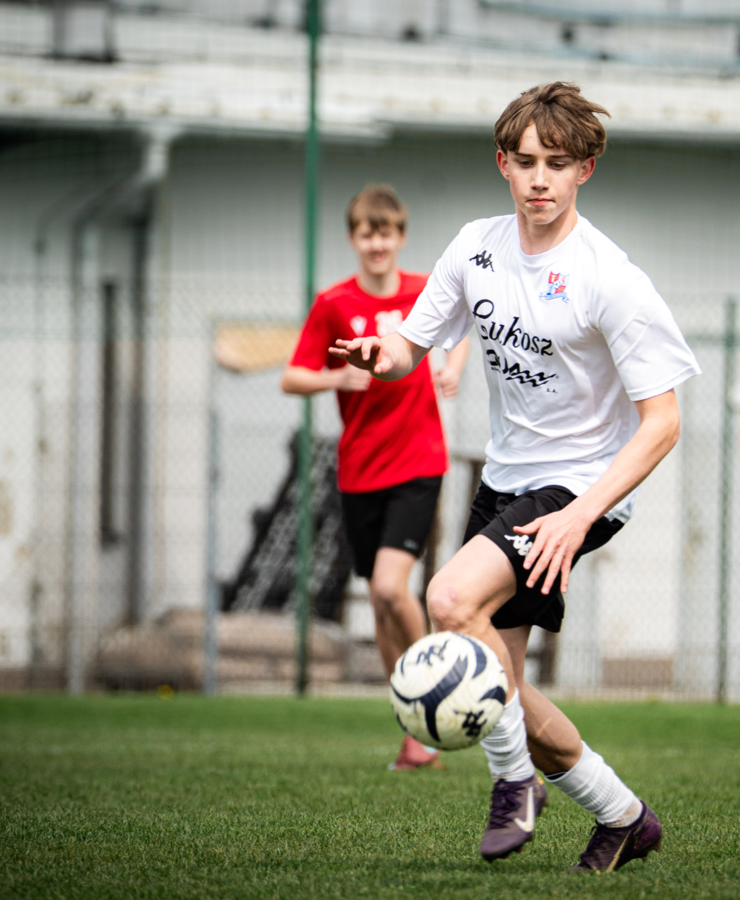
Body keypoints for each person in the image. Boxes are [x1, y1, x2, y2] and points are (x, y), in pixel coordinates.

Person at [331, 82, 700, 871]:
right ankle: (624, 817)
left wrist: (579, 514)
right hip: (507, 482)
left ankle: (514, 784)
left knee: (446, 600)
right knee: (502, 684)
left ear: (584, 170)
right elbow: (408, 348)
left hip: (579, 488)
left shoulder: (610, 278)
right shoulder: (476, 248)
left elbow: (664, 422)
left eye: (557, 164)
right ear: (502, 162)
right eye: (526, 161)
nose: (539, 179)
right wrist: (379, 355)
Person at [282, 184, 470, 772]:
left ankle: (445, 678)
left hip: (419, 461)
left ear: (401, 237)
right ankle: (416, 732)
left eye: (386, 233)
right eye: (367, 234)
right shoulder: (334, 303)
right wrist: (336, 378)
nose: (377, 244)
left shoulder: (423, 291)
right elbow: (293, 376)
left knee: (391, 588)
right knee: (381, 606)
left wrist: (452, 365)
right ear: (354, 239)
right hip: (360, 469)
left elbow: (465, 325)